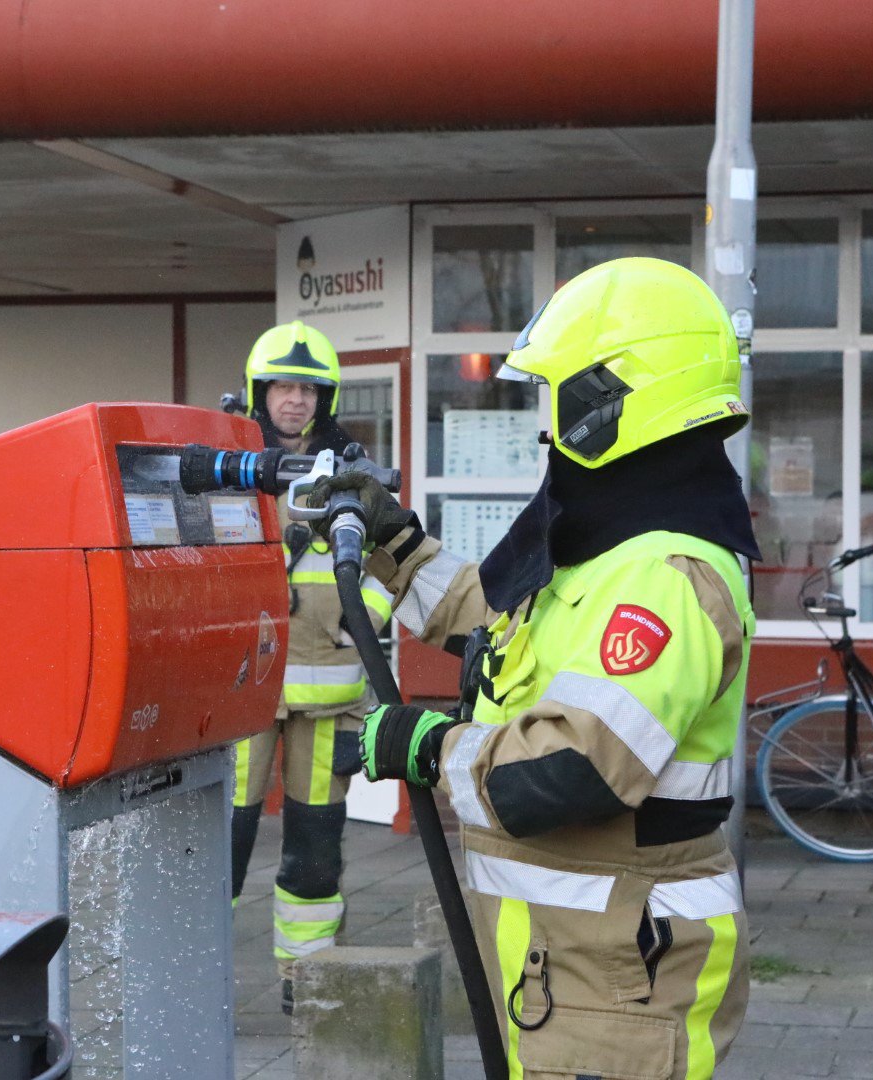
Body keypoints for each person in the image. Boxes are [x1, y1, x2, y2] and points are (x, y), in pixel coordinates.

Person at [308, 259, 756, 1079]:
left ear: (616, 402)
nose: (548, 430)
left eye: (561, 400)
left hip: (615, 985)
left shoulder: (666, 576)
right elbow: (498, 625)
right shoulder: (608, 548)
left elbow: (569, 768)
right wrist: (395, 548)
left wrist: (428, 746)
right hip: (568, 969)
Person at [228, 320, 394, 1014]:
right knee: (216, 848)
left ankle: (308, 981)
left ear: (323, 397)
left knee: (315, 853)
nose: (292, 401)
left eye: (305, 389)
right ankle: (185, 971)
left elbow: (389, 569)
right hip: (241, 695)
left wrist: (364, 621)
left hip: (328, 698)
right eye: (281, 388)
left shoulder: (352, 471)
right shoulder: (228, 463)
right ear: (258, 393)